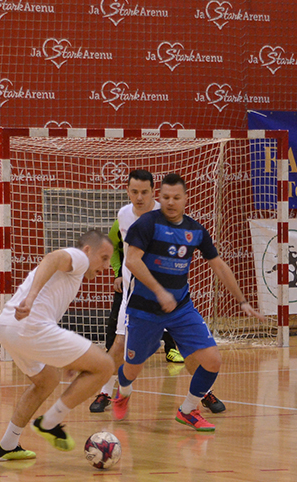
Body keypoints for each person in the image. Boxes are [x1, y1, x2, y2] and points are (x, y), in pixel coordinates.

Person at [113, 172, 260, 432]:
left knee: (212, 360)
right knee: (132, 370)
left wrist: (242, 301)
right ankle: (123, 391)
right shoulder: (146, 224)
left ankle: (188, 410)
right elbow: (132, 261)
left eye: (176, 197)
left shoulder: (195, 230)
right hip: (144, 310)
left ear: (185, 198)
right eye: (166, 197)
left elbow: (218, 265)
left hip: (180, 308)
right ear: (159, 197)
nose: (171, 202)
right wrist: (159, 291)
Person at [90, 169, 226, 419]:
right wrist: (117, 271)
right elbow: (115, 246)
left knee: (192, 350)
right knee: (119, 345)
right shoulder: (123, 215)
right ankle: (107, 392)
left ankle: (203, 392)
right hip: (136, 295)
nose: (139, 197)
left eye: (145, 192)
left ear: (155, 193)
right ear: (127, 191)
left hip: (170, 299)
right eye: (134, 192)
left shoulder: (165, 214)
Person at [0, 230, 116, 461]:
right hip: (29, 326)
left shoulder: (73, 273)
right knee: (106, 366)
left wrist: (65, 358)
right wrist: (30, 298)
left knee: (47, 380)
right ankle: (49, 422)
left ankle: (7, 445)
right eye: (104, 258)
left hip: (8, 327)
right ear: (88, 250)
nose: (107, 266)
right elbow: (52, 258)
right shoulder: (79, 258)